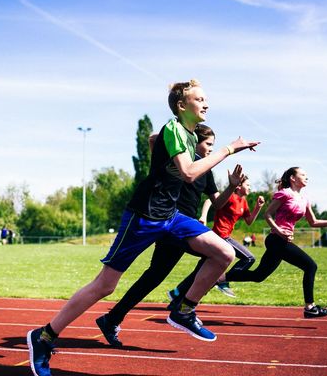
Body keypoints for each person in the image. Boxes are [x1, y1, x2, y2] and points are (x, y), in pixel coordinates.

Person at [27, 79, 259, 376]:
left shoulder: (187, 136)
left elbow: (168, 156)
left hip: (171, 216)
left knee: (224, 253)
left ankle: (185, 309)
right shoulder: (174, 129)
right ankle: (44, 336)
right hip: (144, 216)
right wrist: (228, 149)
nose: (206, 104)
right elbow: (189, 173)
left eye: (205, 99)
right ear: (181, 105)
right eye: (200, 99)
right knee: (106, 285)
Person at [96, 124, 246, 347]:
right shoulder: (180, 162)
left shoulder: (207, 171)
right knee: (217, 253)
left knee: (155, 276)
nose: (210, 149)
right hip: (170, 223)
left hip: (184, 228)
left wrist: (232, 187)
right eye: (208, 144)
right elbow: (154, 144)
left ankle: (113, 318)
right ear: (194, 142)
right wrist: (168, 140)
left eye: (213, 145)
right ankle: (183, 304)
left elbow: (218, 203)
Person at [227, 166, 327, 318]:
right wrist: (279, 230)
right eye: (303, 174)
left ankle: (220, 277)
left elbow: (312, 222)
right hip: (276, 240)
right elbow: (268, 215)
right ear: (293, 178)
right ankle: (310, 307)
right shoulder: (284, 194)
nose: (307, 177)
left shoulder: (304, 199)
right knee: (310, 266)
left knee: (259, 275)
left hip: (282, 241)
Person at [168, 177, 265, 300]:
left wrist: (258, 207)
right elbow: (209, 201)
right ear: (239, 187)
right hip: (220, 236)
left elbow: (249, 221)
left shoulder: (243, 202)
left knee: (200, 270)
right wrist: (203, 216)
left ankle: (176, 294)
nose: (250, 187)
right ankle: (221, 279)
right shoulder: (230, 196)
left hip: (225, 237)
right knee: (249, 258)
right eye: (248, 185)